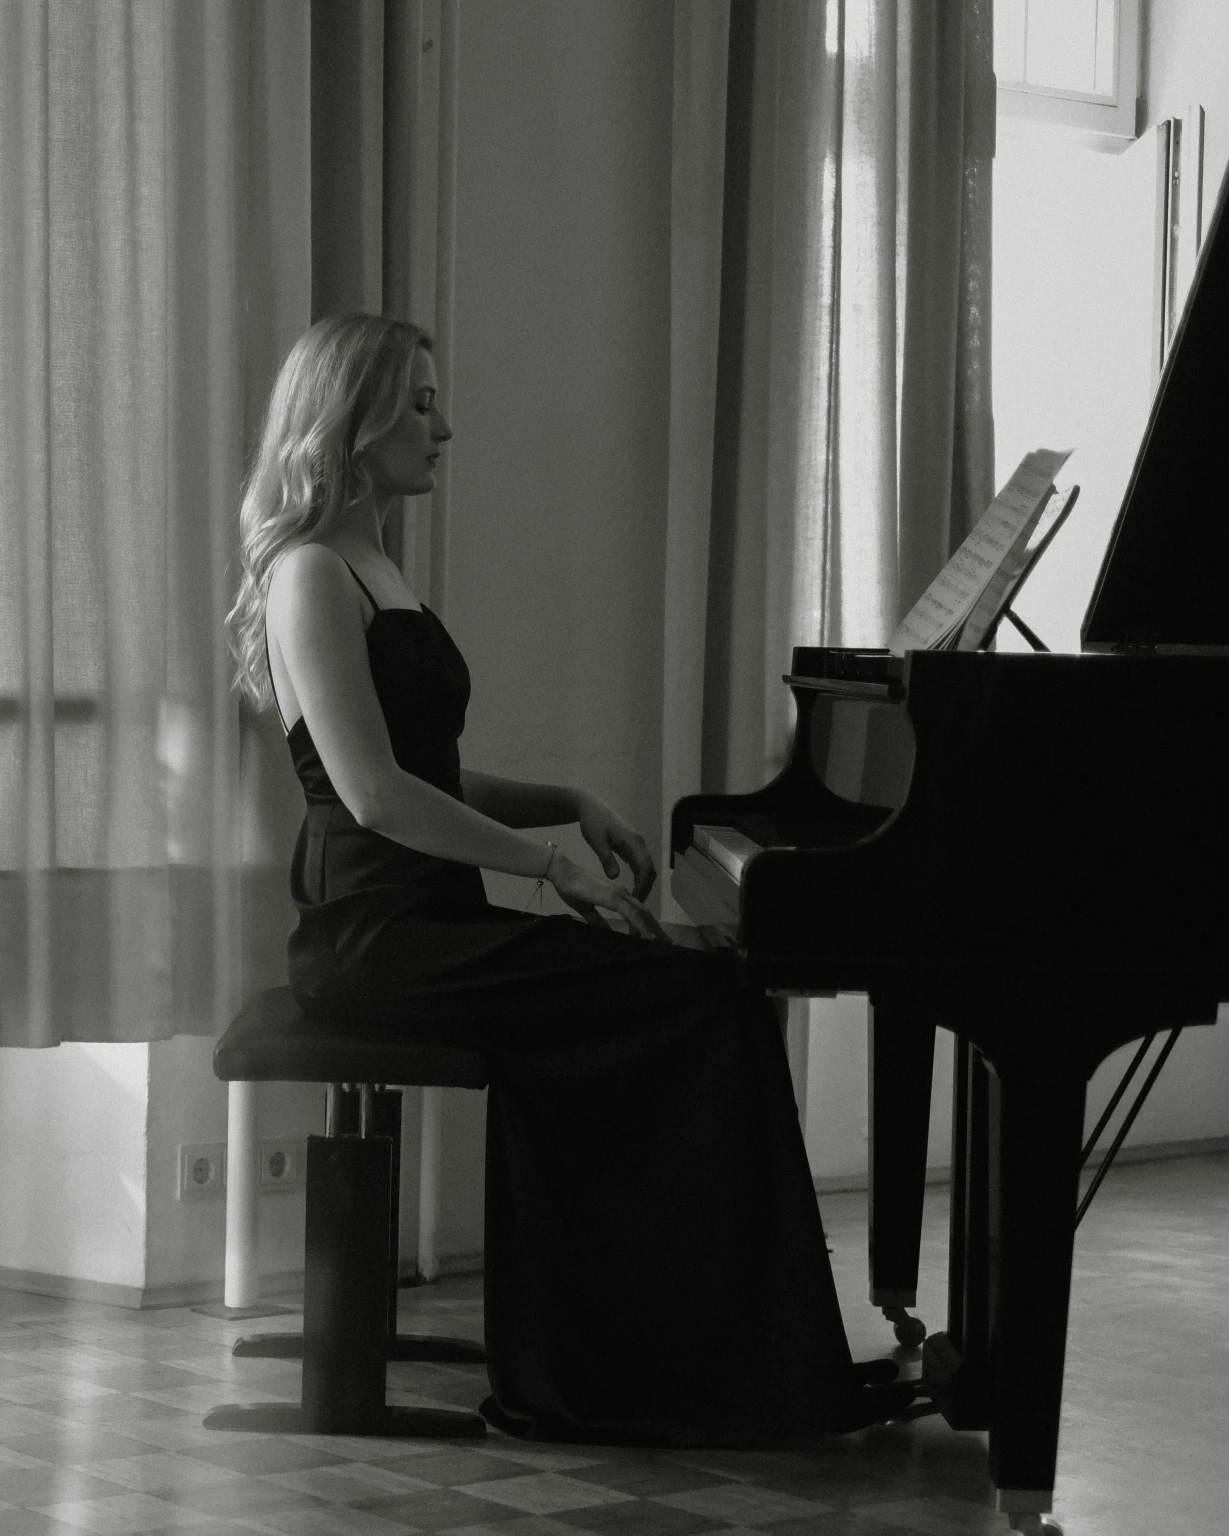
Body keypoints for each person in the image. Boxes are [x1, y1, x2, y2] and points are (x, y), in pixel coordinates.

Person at [225, 312, 914, 1446]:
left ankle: (702, 1357)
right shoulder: (308, 574)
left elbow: (427, 769)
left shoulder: (371, 562)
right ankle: (669, 1371)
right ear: (352, 424)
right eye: (421, 403)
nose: (445, 428)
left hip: (428, 922)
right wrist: (554, 872)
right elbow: (375, 798)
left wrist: (570, 807)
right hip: (373, 943)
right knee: (695, 997)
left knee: (700, 992)